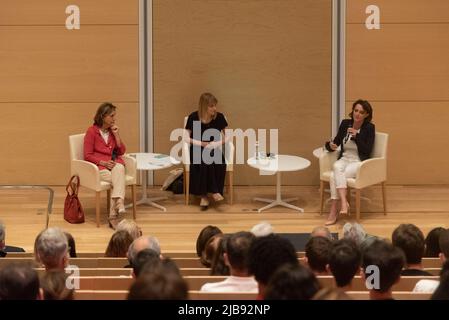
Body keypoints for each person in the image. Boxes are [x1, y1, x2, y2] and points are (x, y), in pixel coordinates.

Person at [324, 99, 375, 225]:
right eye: (356, 110)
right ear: (352, 111)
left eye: (361, 112)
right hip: (344, 158)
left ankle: (334, 209)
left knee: (333, 176)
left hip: (358, 161)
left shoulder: (369, 128)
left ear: (366, 115)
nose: (357, 114)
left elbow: (367, 150)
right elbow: (335, 142)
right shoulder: (345, 123)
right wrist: (330, 145)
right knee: (336, 166)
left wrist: (357, 136)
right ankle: (343, 203)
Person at [84, 102, 127, 229]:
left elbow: (121, 151)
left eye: (115, 116)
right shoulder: (91, 132)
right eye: (112, 116)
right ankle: (115, 213)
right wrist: (103, 163)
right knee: (118, 178)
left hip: (113, 165)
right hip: (99, 168)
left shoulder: (111, 132)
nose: (115, 119)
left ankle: (118, 203)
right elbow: (87, 155)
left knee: (119, 168)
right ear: (103, 116)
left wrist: (117, 135)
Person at [184, 93, 229, 210]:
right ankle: (212, 192)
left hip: (213, 148)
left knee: (218, 162)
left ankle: (205, 196)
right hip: (197, 148)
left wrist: (216, 144)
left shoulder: (219, 117)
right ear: (204, 106)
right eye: (211, 106)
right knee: (204, 161)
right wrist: (202, 143)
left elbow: (228, 137)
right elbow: (186, 138)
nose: (215, 108)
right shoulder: (193, 117)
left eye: (215, 105)